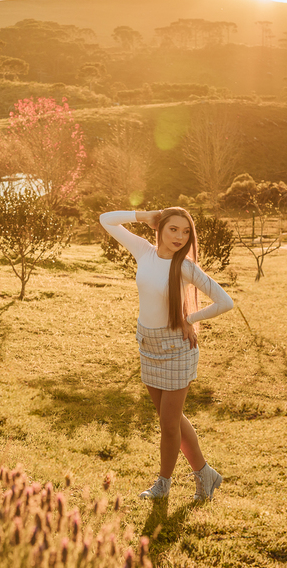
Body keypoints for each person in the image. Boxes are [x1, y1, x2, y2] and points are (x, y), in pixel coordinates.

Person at [100, 207, 235, 501]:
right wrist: (144, 214)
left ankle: (163, 484)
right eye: (173, 229)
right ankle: (206, 474)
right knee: (169, 419)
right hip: (148, 345)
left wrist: (189, 320)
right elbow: (105, 219)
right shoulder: (143, 251)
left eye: (186, 232)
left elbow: (225, 302)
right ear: (160, 228)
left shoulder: (185, 267)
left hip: (176, 350)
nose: (179, 237)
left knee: (169, 425)